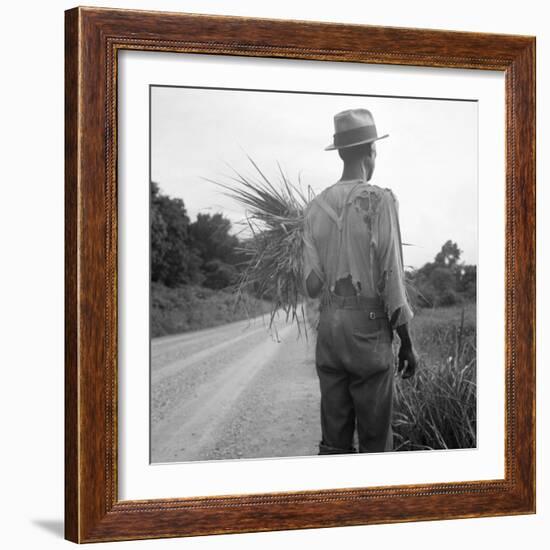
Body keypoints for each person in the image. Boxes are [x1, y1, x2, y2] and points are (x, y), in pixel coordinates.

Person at [302, 108, 418, 455]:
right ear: (372, 150)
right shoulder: (380, 200)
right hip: (367, 333)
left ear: (339, 152)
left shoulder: (313, 208)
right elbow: (393, 279)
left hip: (329, 329)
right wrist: (407, 343)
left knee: (334, 442)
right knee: (374, 441)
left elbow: (311, 285)